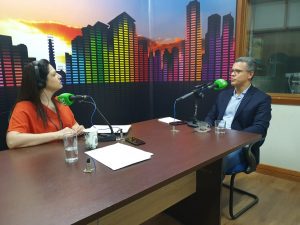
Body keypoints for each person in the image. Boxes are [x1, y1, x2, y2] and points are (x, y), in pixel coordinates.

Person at [205, 56, 272, 173]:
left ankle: (208, 189)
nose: (232, 74)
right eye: (232, 71)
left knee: (216, 163)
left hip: (238, 145)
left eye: (238, 71)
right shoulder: (223, 95)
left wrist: (232, 136)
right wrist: (205, 128)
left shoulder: (261, 98)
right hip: (215, 139)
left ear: (250, 75)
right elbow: (211, 116)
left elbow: (260, 128)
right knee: (195, 154)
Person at [6, 59, 85, 149]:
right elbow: (12, 141)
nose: (59, 76)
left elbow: (74, 125)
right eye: (54, 74)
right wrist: (57, 135)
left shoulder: (61, 101)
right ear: (41, 82)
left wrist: (79, 129)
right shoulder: (24, 107)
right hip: (41, 161)